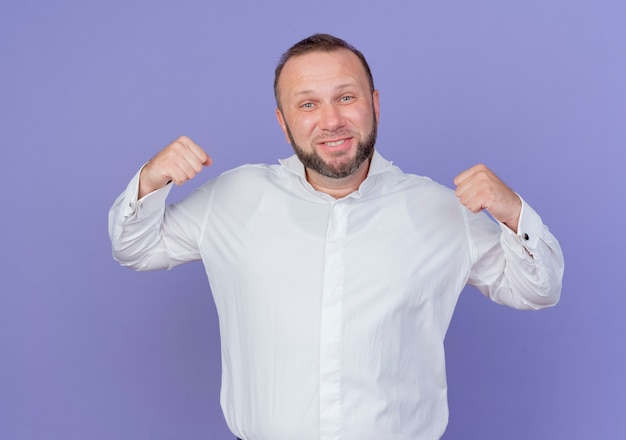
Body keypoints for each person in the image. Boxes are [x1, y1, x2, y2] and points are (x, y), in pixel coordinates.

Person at [108, 33, 564, 440]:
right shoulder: (233, 198)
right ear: (284, 122)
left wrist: (512, 212)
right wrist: (150, 181)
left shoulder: (442, 210)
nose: (331, 120)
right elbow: (135, 248)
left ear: (375, 104)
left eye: (346, 97)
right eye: (307, 104)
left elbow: (536, 290)